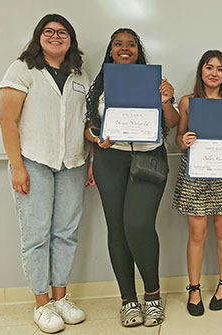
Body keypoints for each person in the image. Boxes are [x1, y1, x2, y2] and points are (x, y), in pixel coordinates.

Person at [0, 14, 89, 334]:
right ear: (39, 37)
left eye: (61, 32)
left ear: (70, 39)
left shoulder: (79, 74)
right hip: (33, 162)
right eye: (48, 32)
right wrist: (17, 166)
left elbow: (84, 122)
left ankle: (60, 296)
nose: (55, 36)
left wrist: (89, 161)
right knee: (36, 236)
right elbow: (7, 120)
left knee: (65, 233)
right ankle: (42, 304)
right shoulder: (22, 69)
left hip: (73, 164)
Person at [85, 28, 179, 327]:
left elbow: (174, 122)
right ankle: (128, 300)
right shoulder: (99, 85)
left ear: (138, 50)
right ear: (110, 51)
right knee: (117, 228)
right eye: (118, 44)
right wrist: (96, 137)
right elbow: (88, 127)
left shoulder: (155, 82)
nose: (125, 49)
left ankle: (152, 295)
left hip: (149, 158)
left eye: (131, 44)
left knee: (138, 224)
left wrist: (166, 99)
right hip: (110, 160)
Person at [172, 50, 222, 317]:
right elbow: (178, 138)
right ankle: (194, 288)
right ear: (200, 71)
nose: (214, 73)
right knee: (197, 233)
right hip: (196, 174)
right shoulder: (188, 102)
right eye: (209, 67)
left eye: (220, 69)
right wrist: (184, 141)